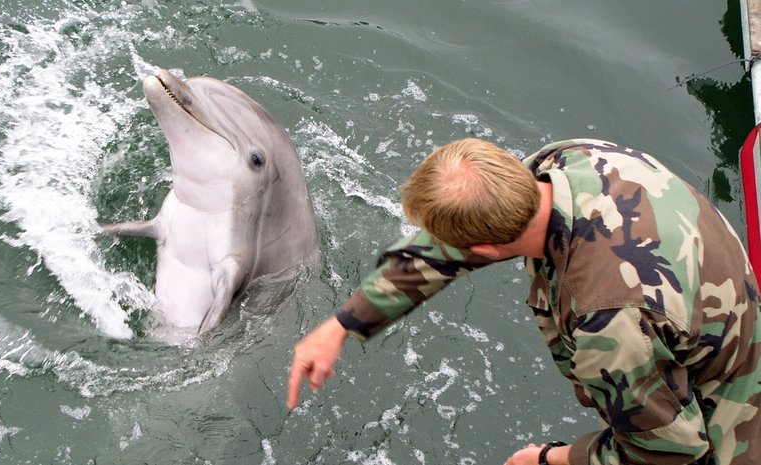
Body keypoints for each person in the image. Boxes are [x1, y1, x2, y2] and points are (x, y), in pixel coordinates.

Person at [285, 138, 761, 465]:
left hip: (732, 426)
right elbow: (447, 247)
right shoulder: (566, 162)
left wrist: (551, 457)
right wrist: (343, 324)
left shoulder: (605, 320)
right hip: (715, 322)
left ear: (488, 252)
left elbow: (668, 454)